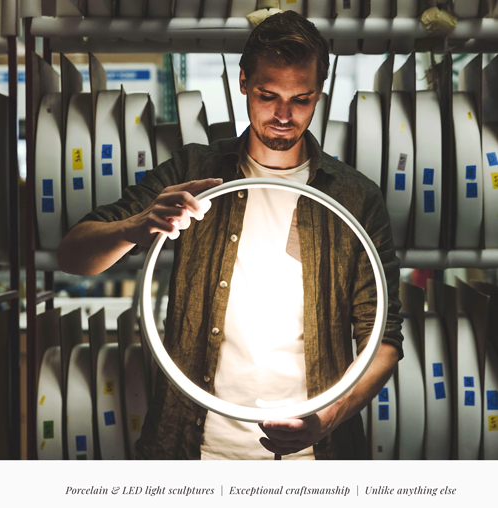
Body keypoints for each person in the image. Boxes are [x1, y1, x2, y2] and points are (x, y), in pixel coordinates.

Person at [58, 11, 403, 460]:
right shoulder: (193, 172)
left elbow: (383, 339)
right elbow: (73, 255)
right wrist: (138, 225)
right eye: (267, 95)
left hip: (315, 453)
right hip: (193, 447)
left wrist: (329, 417)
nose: (283, 114)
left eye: (301, 99)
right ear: (243, 82)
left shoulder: (355, 199)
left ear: (320, 94)